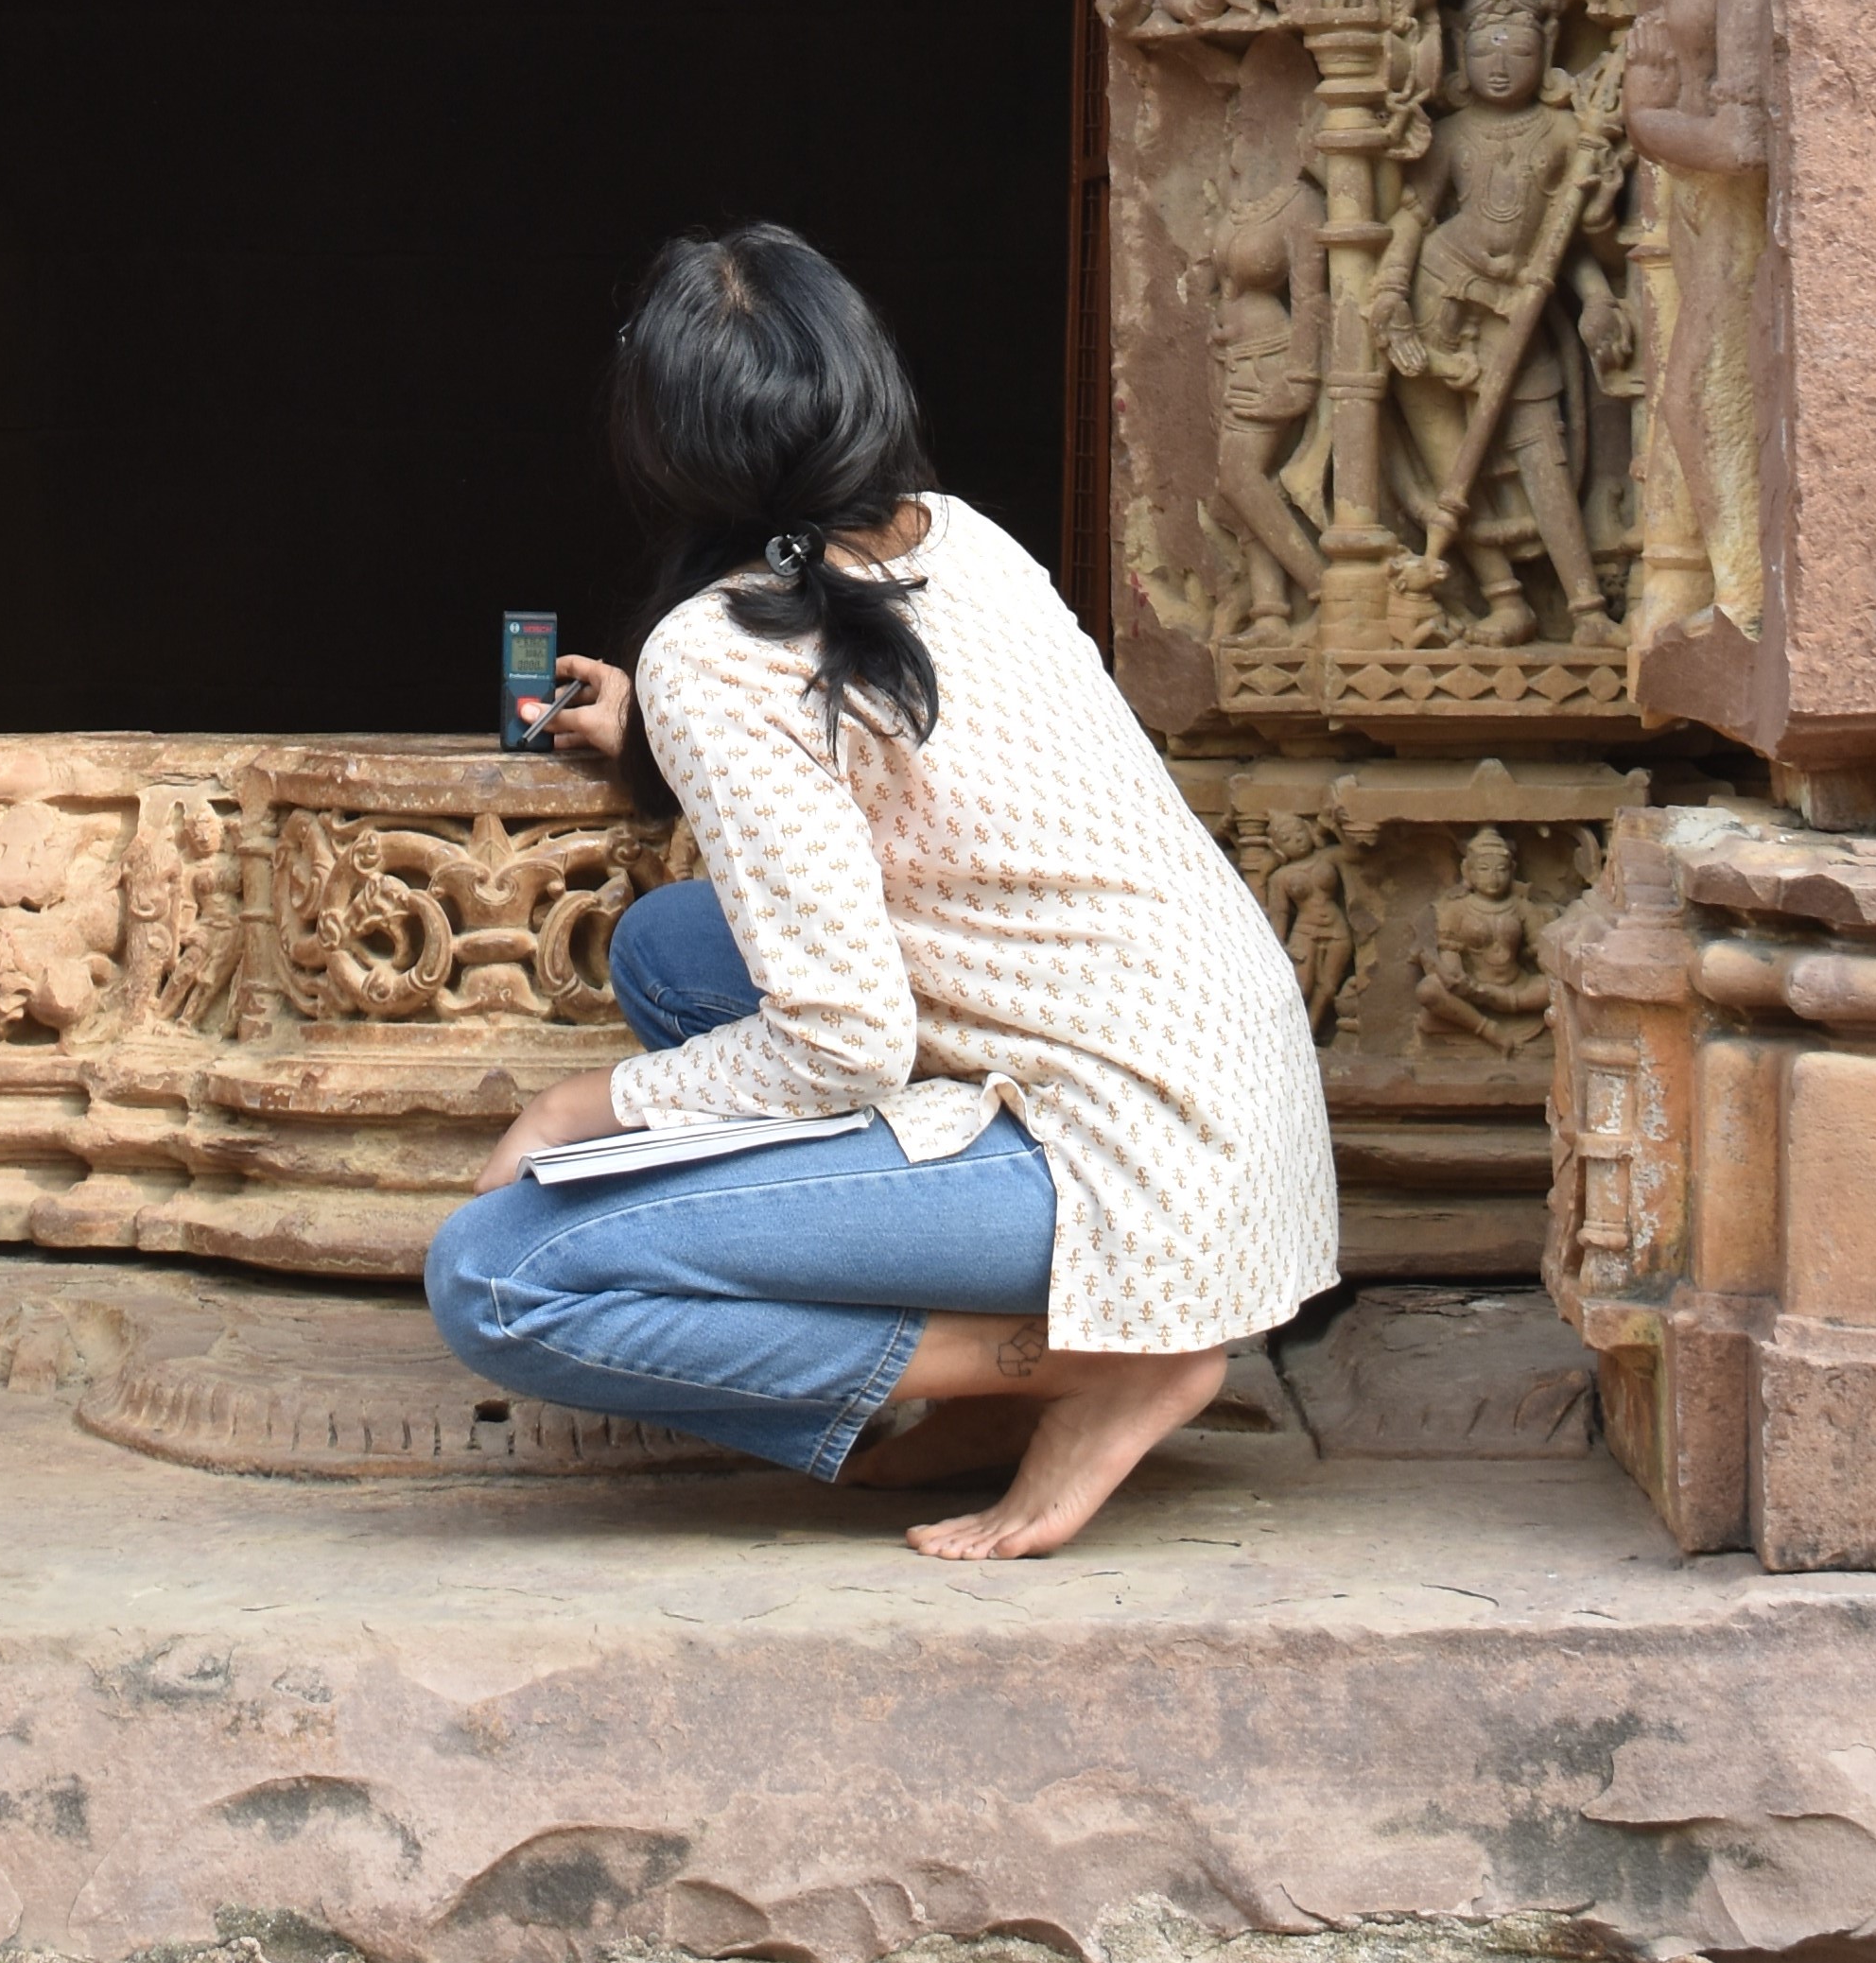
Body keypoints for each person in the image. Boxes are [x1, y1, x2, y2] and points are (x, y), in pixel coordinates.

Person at [427, 226, 1340, 1557]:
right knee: (674, 947)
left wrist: (582, 1106)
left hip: (1131, 1173)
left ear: (671, 442)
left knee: (497, 1274)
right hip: (1239, 1113)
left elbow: (845, 1043)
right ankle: (1029, 1356)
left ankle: (1070, 1361)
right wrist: (668, 744)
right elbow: (903, 769)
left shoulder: (714, 646)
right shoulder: (961, 540)